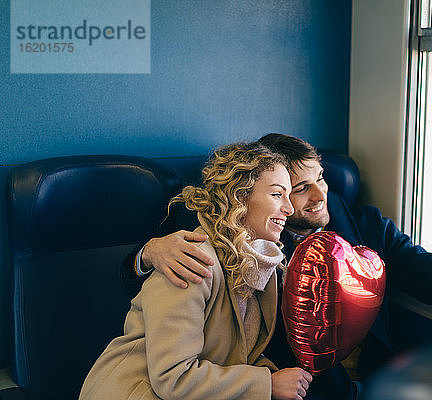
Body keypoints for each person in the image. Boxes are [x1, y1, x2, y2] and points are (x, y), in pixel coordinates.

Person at [128, 134, 432, 399]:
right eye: (298, 189)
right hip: (294, 385)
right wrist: (149, 251)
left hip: (373, 377)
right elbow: (196, 245)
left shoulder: (365, 225)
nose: (318, 195)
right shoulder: (252, 242)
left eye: (320, 178)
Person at [81, 142, 313, 400]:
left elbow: (235, 354)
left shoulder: (260, 266)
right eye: (277, 194)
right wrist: (267, 384)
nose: (289, 209)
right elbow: (174, 378)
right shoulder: (189, 259)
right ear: (240, 196)